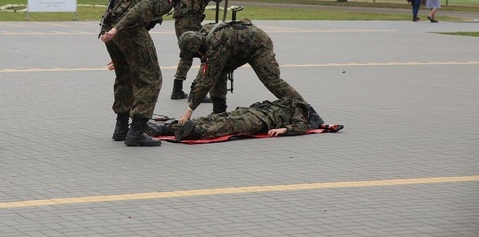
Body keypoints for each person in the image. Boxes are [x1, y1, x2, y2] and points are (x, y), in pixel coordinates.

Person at [99, 0, 195, 147]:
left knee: (125, 76)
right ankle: (136, 132)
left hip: (110, 27)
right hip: (125, 30)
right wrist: (118, 30)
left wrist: (122, 46)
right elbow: (140, 9)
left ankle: (121, 128)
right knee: (151, 79)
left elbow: (120, 3)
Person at [176, 19, 323, 126]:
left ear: (198, 46)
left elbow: (207, 80)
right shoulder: (203, 36)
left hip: (258, 46)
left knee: (272, 81)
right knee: (218, 72)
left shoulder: (217, 45)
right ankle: (219, 111)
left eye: (196, 54)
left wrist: (189, 111)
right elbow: (206, 74)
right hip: (238, 48)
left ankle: (308, 112)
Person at [146, 98, 341, 141]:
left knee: (225, 124)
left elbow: (299, 127)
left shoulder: (298, 113)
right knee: (218, 118)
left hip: (258, 120)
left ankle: (192, 131)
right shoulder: (292, 105)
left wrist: (284, 130)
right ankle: (167, 129)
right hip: (252, 112)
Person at [170, 0, 226, 99]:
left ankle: (177, 89)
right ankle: (197, 91)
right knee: (205, 54)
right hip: (191, 21)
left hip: (180, 20)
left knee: (187, 53)